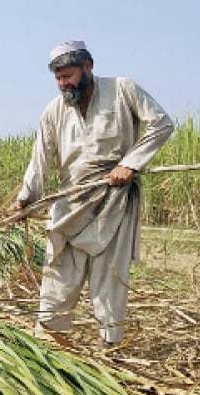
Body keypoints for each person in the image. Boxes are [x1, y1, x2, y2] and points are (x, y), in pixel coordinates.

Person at [10, 41, 174, 345]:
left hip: (114, 203)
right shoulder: (53, 111)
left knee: (109, 282)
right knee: (57, 281)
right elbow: (40, 159)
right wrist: (25, 198)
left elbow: (162, 124)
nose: (64, 84)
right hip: (69, 206)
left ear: (88, 67)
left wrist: (130, 164)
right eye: (58, 78)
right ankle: (50, 347)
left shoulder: (123, 90)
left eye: (69, 75)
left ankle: (110, 350)